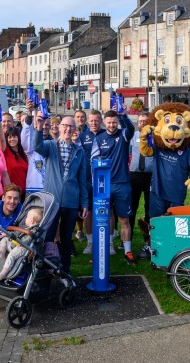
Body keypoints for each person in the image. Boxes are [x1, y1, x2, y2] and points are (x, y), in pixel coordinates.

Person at [34, 115, 88, 274]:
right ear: (59, 127)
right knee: (48, 236)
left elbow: (82, 179)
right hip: (52, 200)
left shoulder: (79, 151)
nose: (68, 129)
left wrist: (84, 203)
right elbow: (36, 146)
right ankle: (47, 268)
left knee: (66, 237)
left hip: (71, 201)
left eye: (71, 127)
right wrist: (38, 128)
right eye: (65, 125)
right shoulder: (50, 145)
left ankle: (65, 269)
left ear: (75, 130)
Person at [91, 109, 136, 264]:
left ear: (117, 122)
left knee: (124, 219)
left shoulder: (123, 134)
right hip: (105, 184)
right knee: (106, 216)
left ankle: (128, 251)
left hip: (122, 184)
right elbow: (94, 160)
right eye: (109, 122)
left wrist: (123, 115)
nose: (111, 125)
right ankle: (108, 245)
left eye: (114, 122)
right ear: (104, 122)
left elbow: (131, 129)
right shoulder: (99, 138)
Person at [79, 110, 105, 253]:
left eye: (97, 120)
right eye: (92, 120)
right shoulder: (83, 137)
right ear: (88, 121)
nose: (94, 123)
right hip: (87, 179)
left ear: (101, 120)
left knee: (107, 210)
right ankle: (90, 242)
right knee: (87, 211)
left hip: (103, 180)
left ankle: (107, 241)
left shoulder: (107, 135)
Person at [0, 207, 43, 281]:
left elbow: (27, 240)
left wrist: (18, 240)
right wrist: (8, 234)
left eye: (27, 217)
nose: (25, 218)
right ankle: (2, 252)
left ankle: (3, 273)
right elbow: (17, 233)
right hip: (16, 244)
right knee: (5, 239)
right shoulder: (26, 228)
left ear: (32, 221)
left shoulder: (34, 232)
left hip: (24, 248)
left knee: (11, 255)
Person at [129, 111, 154, 259]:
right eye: (140, 121)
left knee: (149, 209)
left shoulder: (155, 137)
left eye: (145, 121)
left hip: (151, 177)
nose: (142, 124)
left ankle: (148, 238)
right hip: (134, 176)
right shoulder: (133, 137)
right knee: (131, 208)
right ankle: (128, 237)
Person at [3, 126, 28, 194]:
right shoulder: (5, 152)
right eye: (9, 137)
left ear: (18, 138)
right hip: (12, 193)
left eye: (14, 136)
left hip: (25, 192)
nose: (12, 139)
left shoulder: (23, 154)